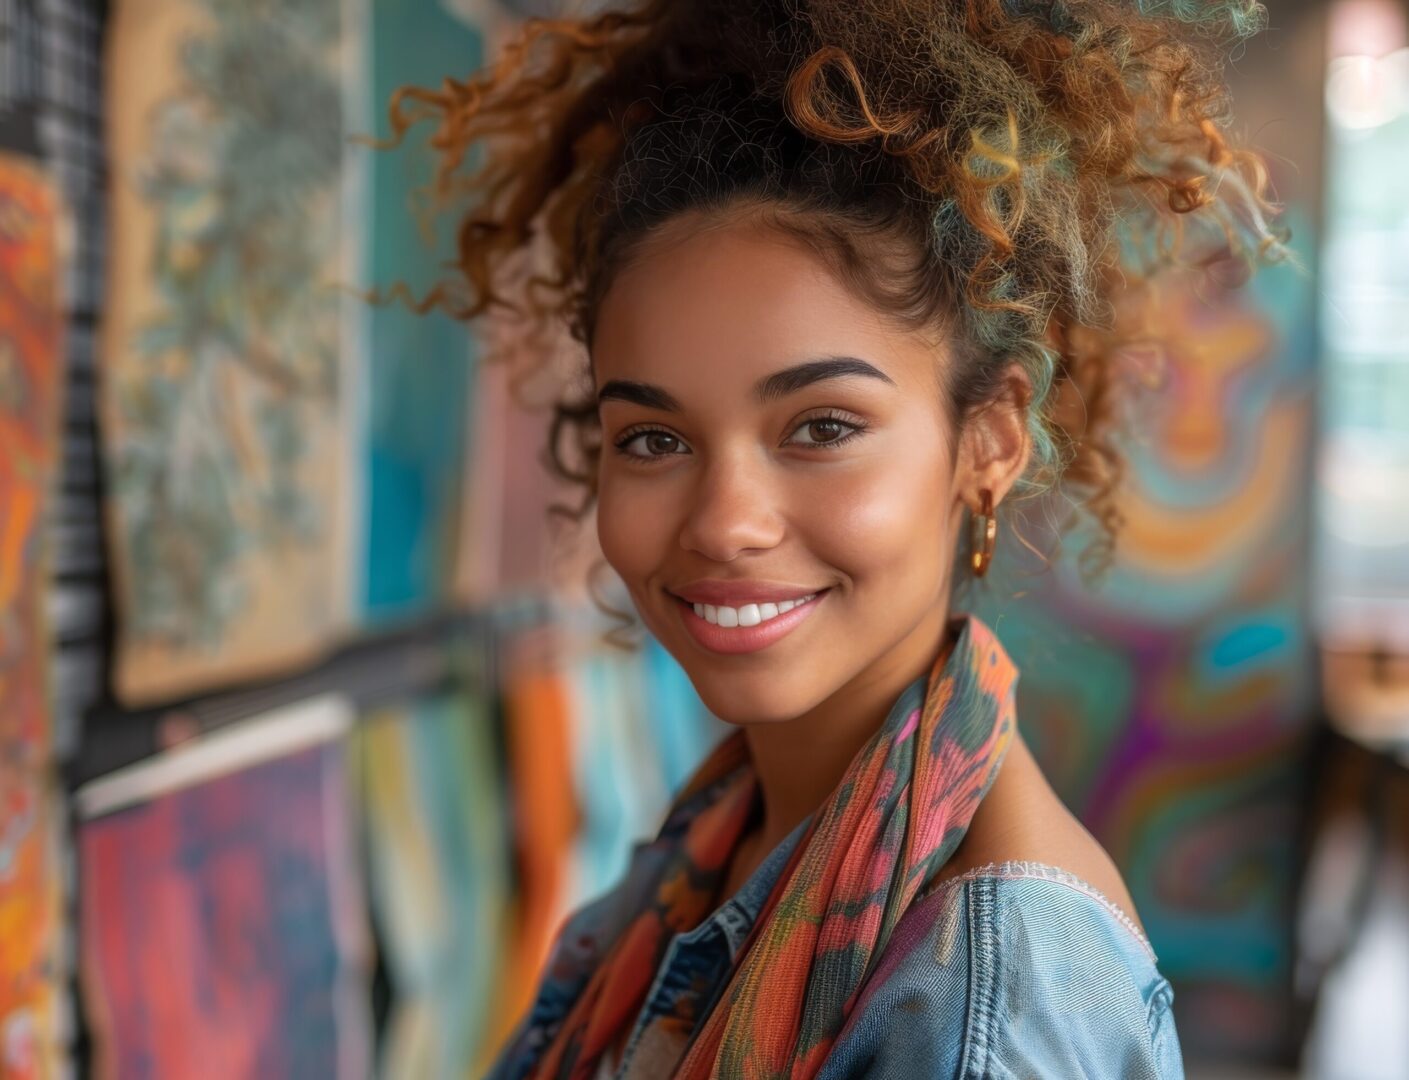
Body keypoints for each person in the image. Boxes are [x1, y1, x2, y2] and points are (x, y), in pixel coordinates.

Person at [389, 1, 1285, 1076]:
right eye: (654, 437)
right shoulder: (731, 827)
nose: (724, 521)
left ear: (986, 443)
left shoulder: (987, 998)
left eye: (819, 428)